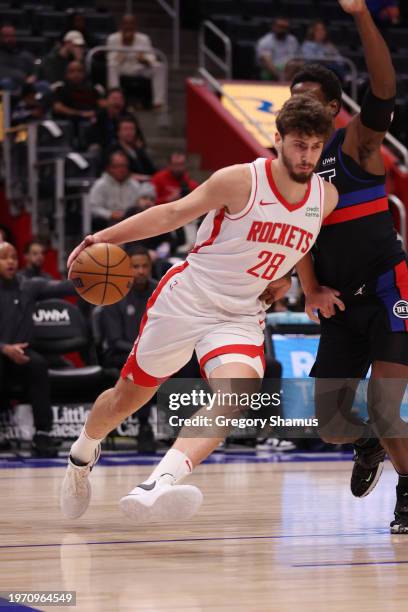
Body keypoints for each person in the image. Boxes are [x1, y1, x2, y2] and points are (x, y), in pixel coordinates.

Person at [59, 94, 338, 522]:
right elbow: (171, 213)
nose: (307, 155)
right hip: (188, 298)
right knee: (124, 401)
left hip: (241, 313)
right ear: (278, 139)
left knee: (236, 395)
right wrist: (105, 238)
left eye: (316, 146)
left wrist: (301, 283)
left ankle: (159, 483)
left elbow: (300, 238)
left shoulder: (326, 196)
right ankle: (81, 456)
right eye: (300, 144)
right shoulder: (240, 180)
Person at [263, 0, 407, 535]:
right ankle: (369, 443)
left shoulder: (356, 143)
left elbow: (385, 87)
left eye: (308, 99)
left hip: (390, 286)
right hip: (340, 299)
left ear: (332, 106)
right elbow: (298, 235)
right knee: (331, 426)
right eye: (292, 98)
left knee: (389, 405)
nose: (297, 106)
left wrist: (362, 14)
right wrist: (310, 287)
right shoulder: (289, 164)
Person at [0, 242, 75, 457]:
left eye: (13, 257)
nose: (10, 261)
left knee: (39, 364)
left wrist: (91, 276)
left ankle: (43, 434)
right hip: (1, 353)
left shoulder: (28, 286)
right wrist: (5, 348)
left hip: (22, 355)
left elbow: (63, 287)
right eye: (4, 257)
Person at [100, 245, 157, 452]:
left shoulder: (161, 290)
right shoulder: (114, 293)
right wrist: (144, 350)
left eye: (144, 266)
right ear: (127, 269)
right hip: (121, 354)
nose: (140, 271)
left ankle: (183, 427)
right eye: (135, 267)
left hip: (156, 353)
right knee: (142, 367)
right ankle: (144, 427)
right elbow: (114, 340)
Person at [107, 14, 166, 108]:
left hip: (138, 67)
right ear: (121, 25)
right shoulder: (113, 38)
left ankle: (158, 102)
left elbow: (151, 57)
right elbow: (111, 58)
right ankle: (115, 99)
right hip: (122, 67)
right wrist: (124, 45)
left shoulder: (143, 38)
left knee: (159, 66)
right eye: (126, 24)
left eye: (131, 24)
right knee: (111, 65)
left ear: (135, 25)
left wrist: (144, 60)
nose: (128, 26)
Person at [88, 151, 151, 231]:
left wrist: (143, 204)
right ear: (109, 168)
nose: (122, 169)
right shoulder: (100, 185)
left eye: (124, 166)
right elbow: (93, 208)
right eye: (118, 166)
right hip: (106, 226)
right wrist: (110, 214)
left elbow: (139, 203)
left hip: (130, 223)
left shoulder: (134, 184)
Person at [256, 17, 300, 82]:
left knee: (298, 64)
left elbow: (297, 58)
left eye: (285, 27)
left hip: (290, 68)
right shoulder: (265, 41)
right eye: (280, 27)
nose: (283, 30)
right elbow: (266, 61)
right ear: (273, 26)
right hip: (272, 68)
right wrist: (280, 76)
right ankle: (283, 82)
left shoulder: (292, 40)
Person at [0, 24, 35, 91]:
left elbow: (36, 70)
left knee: (42, 85)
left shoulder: (25, 55)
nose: (9, 39)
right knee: (6, 83)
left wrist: (34, 77)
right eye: (6, 36)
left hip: (24, 86)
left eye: (12, 36)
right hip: (4, 86)